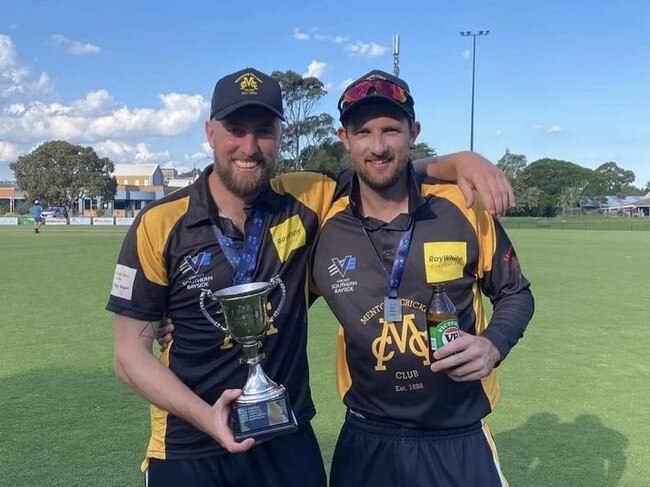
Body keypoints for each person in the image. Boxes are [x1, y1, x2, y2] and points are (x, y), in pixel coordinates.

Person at [108, 67, 515, 487]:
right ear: (211, 132)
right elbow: (128, 356)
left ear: (281, 134)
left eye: (264, 130)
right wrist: (207, 418)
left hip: (287, 440)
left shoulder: (307, 197)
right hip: (187, 446)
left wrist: (459, 160)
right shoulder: (158, 223)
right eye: (235, 129)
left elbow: (380, 166)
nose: (249, 147)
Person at [310, 70, 535, 486]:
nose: (378, 147)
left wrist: (493, 345)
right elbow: (280, 301)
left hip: (459, 436)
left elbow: (516, 293)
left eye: (391, 130)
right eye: (363, 132)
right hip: (366, 438)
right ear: (345, 139)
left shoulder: (462, 206)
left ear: (413, 132)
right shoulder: (323, 222)